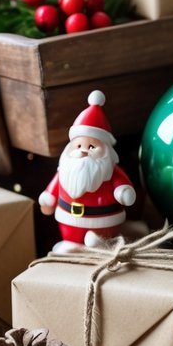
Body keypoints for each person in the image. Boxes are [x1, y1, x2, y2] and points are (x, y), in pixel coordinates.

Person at [39, 89, 136, 253]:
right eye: (78, 146)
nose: (83, 151)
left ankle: (101, 242)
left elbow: (121, 184)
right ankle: (72, 244)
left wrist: (123, 191)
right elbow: (53, 189)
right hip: (68, 221)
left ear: (107, 151)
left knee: (101, 237)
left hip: (104, 224)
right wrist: (48, 198)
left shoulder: (110, 170)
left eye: (91, 146)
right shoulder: (65, 169)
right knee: (71, 239)